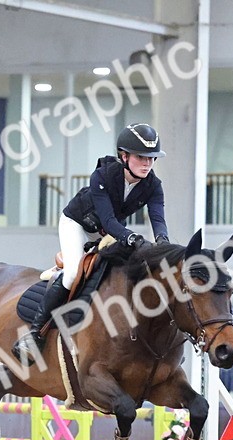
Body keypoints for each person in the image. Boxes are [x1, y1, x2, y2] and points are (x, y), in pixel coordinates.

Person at [13, 123, 171, 362]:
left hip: (107, 231)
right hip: (77, 224)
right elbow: (108, 218)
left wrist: (163, 243)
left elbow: (158, 219)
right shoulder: (103, 176)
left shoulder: (153, 186)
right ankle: (35, 334)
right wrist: (131, 237)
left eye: (151, 158)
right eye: (141, 157)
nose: (147, 163)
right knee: (73, 273)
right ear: (124, 156)